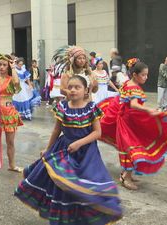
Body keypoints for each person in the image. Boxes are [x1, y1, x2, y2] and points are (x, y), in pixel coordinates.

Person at [15, 75, 122, 225]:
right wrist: (48, 149)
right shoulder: (62, 106)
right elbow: (56, 131)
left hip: (87, 154)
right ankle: (64, 219)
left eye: (77, 87)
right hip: (64, 151)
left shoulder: (92, 108)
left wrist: (79, 143)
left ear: (86, 90)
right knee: (64, 185)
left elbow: (98, 133)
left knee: (86, 186)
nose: (72, 90)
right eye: (70, 87)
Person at [98, 60, 167, 190]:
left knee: (131, 147)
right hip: (128, 123)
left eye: (146, 75)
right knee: (132, 148)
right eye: (143, 75)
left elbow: (122, 101)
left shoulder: (128, 83)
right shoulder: (134, 87)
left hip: (129, 120)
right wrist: (149, 110)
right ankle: (125, 177)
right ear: (135, 75)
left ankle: (127, 175)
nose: (146, 77)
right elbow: (134, 105)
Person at [0, 54, 23, 172]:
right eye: (0, 64)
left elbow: (16, 83)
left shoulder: (11, 79)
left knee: (10, 142)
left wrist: (13, 67)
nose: (1, 67)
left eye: (4, 65)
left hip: (9, 113)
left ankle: (12, 165)